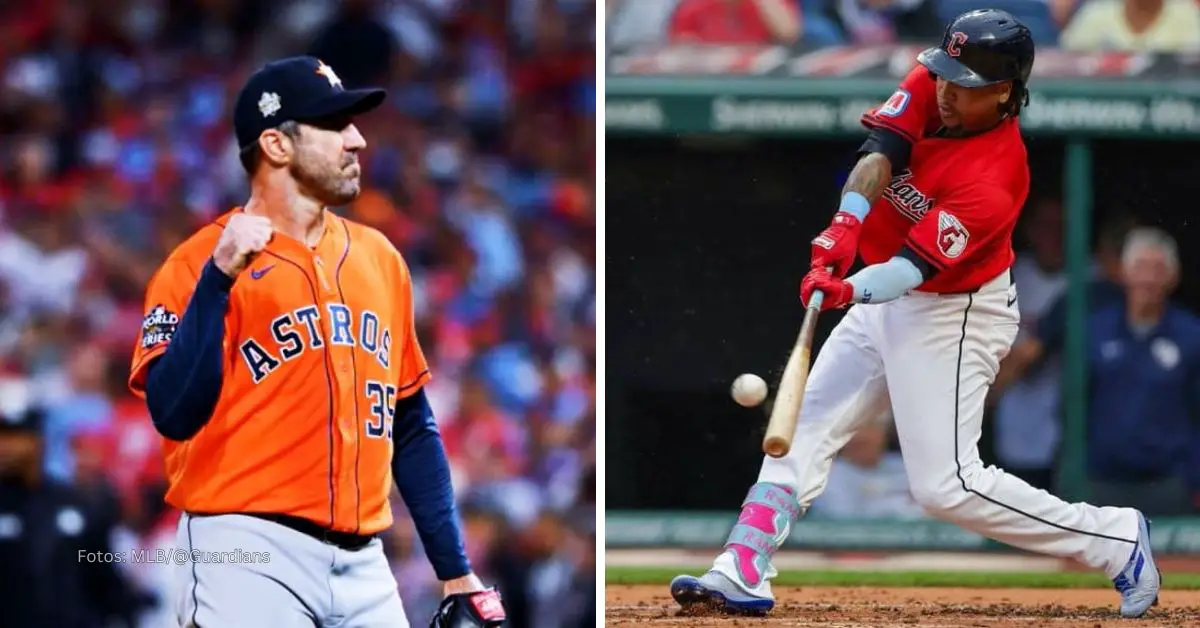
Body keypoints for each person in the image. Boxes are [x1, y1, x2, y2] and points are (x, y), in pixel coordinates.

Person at [670, 9, 1160, 619]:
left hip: (953, 313)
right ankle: (742, 564)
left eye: (966, 86)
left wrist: (846, 290)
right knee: (802, 430)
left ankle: (1114, 539)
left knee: (945, 488)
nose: (947, 93)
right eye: (946, 77)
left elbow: (908, 270)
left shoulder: (996, 178)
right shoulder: (935, 83)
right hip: (885, 293)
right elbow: (880, 152)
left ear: (1005, 91)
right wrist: (846, 224)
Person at [126, 56, 506, 627]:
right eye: (335, 125)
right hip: (246, 550)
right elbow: (173, 412)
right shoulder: (194, 264)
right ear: (277, 146)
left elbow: (409, 421)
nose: (357, 140)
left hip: (365, 560)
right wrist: (218, 279)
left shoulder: (380, 258)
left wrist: (455, 571)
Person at [0, 378, 147, 627]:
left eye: (15, 435)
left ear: (38, 439)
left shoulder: (73, 504)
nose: (6, 446)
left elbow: (102, 576)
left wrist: (130, 607)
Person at [1084, 228, 1200, 515]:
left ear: (1174, 277)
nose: (1148, 278)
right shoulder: (1093, 330)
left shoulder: (1191, 335)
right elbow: (1072, 403)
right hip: (1100, 483)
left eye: (1158, 269)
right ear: (1123, 272)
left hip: (1168, 485)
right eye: (1141, 267)